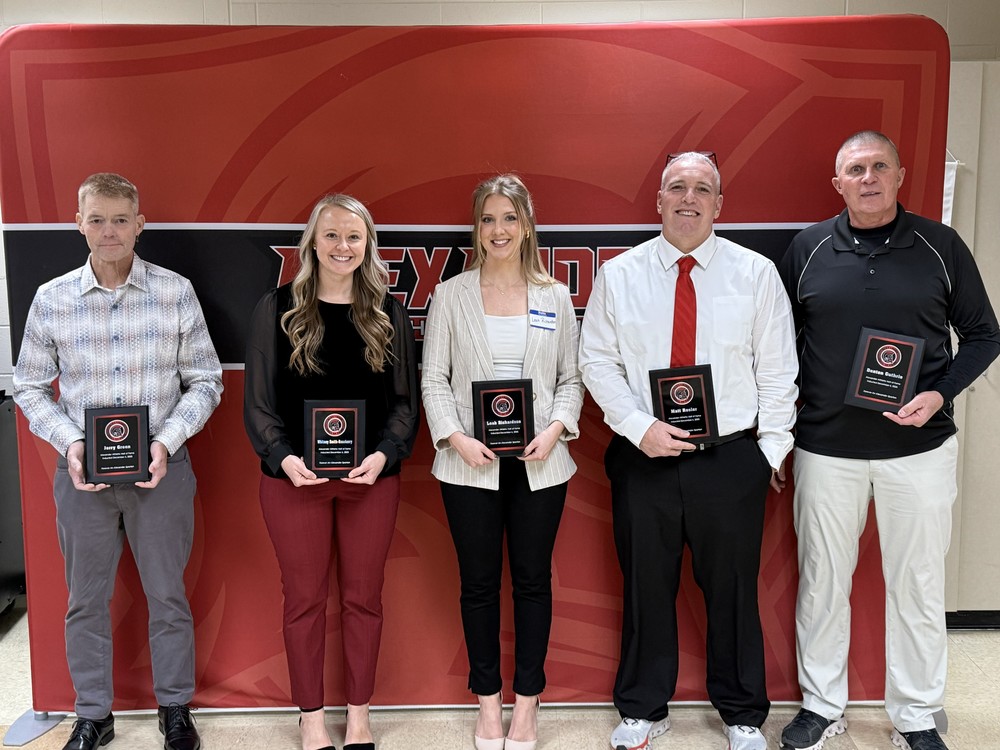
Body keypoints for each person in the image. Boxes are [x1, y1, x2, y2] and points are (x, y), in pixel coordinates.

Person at [777, 130, 1000, 750]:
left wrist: (940, 393)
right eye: (855, 169)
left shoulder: (941, 246)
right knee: (823, 582)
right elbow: (776, 349)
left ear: (900, 175)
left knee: (919, 584)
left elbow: (984, 335)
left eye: (879, 166)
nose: (868, 177)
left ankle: (916, 715)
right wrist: (780, 434)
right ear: (838, 183)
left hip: (921, 451)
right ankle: (822, 707)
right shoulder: (807, 249)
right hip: (824, 449)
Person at [578, 152, 798, 750]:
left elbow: (779, 369)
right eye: (677, 186)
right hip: (643, 454)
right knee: (645, 583)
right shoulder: (620, 275)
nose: (688, 198)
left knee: (732, 589)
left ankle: (742, 714)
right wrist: (635, 425)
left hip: (729, 459)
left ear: (719, 205)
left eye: (703, 188)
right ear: (659, 199)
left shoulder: (755, 275)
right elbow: (596, 360)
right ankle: (644, 708)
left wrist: (769, 453)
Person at [13, 173, 222, 750]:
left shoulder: (175, 292)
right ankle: (92, 715)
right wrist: (70, 443)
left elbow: (205, 381)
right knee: (84, 600)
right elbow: (28, 386)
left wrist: (167, 440)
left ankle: (175, 710)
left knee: (168, 597)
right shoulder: (52, 299)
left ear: (140, 223)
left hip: (162, 469)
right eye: (97, 219)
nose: (109, 231)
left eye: (120, 219)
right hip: (81, 475)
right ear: (79, 223)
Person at [243, 194, 418, 750]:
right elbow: (258, 404)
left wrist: (386, 454)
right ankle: (312, 718)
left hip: (370, 483)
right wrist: (284, 458)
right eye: (332, 235)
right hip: (295, 482)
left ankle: (360, 714)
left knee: (365, 599)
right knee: (304, 601)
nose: (343, 247)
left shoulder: (387, 312)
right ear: (312, 243)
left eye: (354, 237)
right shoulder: (275, 309)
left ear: (367, 246)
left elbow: (404, 404)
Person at [421, 174, 583, 750]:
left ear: (527, 225)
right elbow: (434, 379)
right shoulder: (451, 294)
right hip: (469, 465)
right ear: (477, 227)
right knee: (479, 585)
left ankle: (527, 706)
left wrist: (558, 428)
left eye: (509, 218)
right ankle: (488, 705)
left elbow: (571, 377)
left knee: (534, 583)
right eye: (488, 219)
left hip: (542, 464)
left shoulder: (555, 295)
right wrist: (456, 438)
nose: (499, 230)